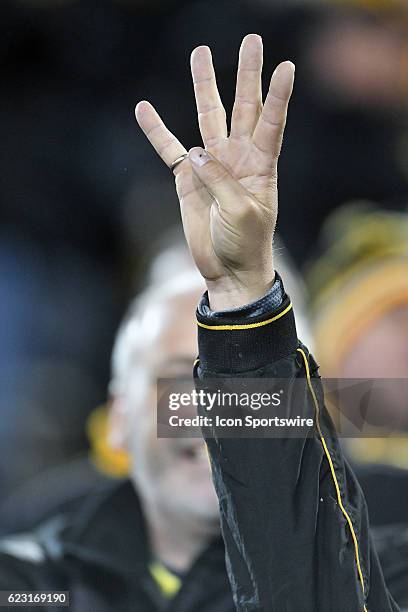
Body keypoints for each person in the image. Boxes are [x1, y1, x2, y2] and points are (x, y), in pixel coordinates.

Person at [0, 34, 401, 611]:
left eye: (251, 391)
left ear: (312, 405)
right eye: (176, 382)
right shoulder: (25, 578)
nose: (213, 412)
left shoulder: (396, 552)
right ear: (115, 420)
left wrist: (244, 300)